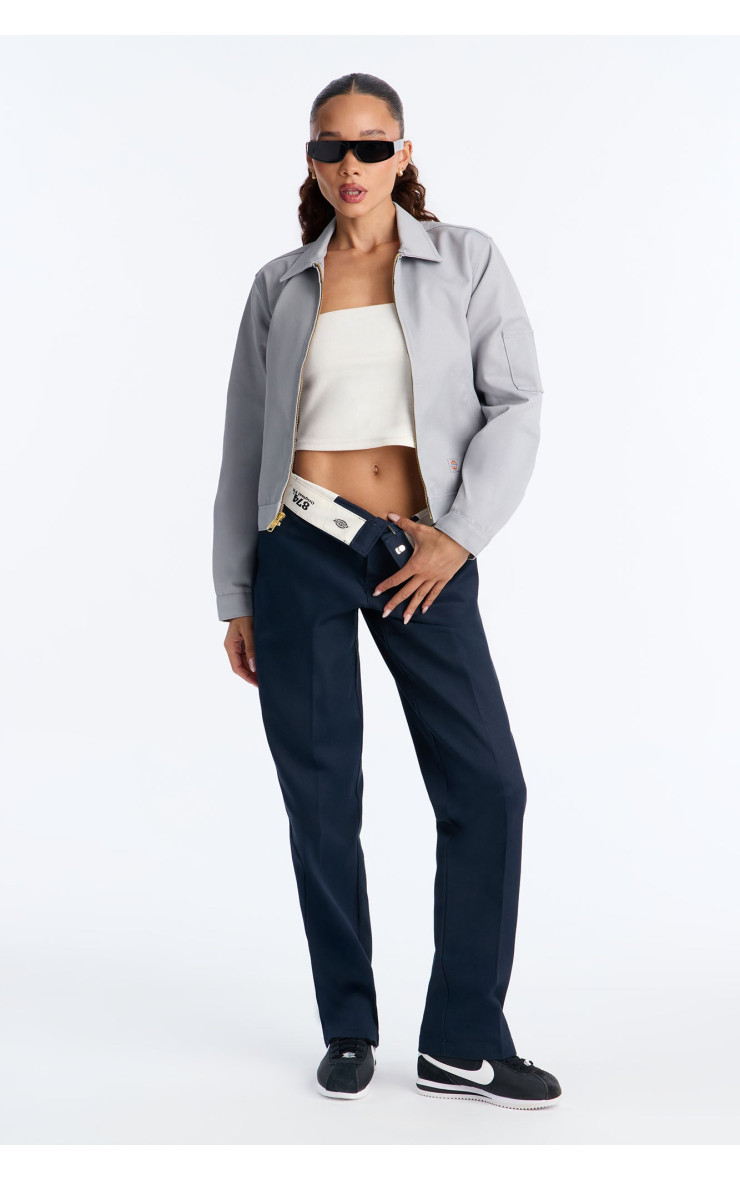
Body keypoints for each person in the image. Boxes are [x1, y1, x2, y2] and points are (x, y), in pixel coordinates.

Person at [212, 72, 562, 1110]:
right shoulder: (279, 285)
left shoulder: (464, 259)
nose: (352, 165)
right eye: (332, 146)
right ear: (311, 161)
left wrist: (458, 536)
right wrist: (236, 593)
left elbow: (517, 403)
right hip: (298, 550)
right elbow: (243, 444)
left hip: (419, 554)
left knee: (487, 786)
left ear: (403, 153)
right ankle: (348, 1026)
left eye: (372, 145)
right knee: (322, 800)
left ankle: (461, 1039)